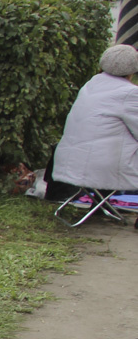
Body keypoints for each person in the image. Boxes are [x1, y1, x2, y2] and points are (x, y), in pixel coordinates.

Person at [48, 44, 138, 224]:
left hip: (70, 162)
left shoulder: (91, 84)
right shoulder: (129, 93)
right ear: (132, 70)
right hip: (100, 166)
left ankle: (99, 205)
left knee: (107, 144)